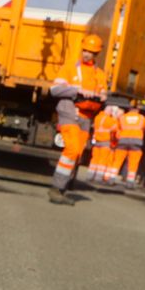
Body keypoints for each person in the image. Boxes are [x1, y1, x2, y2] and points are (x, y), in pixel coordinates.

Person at [48, 34, 107, 205]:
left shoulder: (100, 74)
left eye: (91, 52)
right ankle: (56, 189)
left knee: (78, 154)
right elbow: (54, 90)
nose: (87, 54)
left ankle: (63, 189)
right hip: (70, 111)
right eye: (85, 50)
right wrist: (77, 90)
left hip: (86, 117)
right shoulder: (69, 68)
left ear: (97, 54)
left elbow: (103, 92)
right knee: (72, 149)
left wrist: (102, 96)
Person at [110, 102, 145, 187]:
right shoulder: (142, 118)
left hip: (123, 141)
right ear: (138, 109)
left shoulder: (122, 117)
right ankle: (130, 182)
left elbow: (117, 129)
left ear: (129, 108)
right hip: (136, 142)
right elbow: (144, 129)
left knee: (117, 160)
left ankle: (111, 178)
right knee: (133, 162)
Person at [87, 105, 120, 183]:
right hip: (105, 141)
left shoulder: (97, 117)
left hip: (96, 141)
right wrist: (115, 117)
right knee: (103, 159)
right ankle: (98, 177)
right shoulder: (110, 119)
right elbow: (115, 128)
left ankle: (90, 175)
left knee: (94, 159)